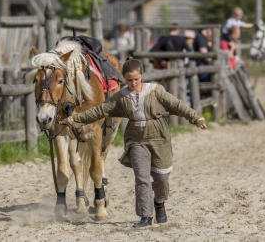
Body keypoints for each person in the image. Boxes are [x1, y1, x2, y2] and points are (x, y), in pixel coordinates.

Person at [59, 58, 207, 228]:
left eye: (136, 79)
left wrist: (196, 118)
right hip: (135, 139)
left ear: (141, 76)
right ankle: (145, 216)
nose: (133, 83)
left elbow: (177, 105)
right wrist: (73, 120)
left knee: (161, 178)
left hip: (159, 137)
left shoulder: (156, 91)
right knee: (142, 178)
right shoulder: (121, 97)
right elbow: (98, 111)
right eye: (129, 80)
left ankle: (159, 203)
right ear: (124, 79)